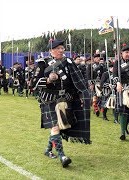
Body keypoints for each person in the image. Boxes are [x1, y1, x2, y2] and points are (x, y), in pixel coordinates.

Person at [33, 39, 91, 168]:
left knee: (58, 127)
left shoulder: (68, 62)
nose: (61, 50)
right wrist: (48, 79)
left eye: (62, 48)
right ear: (51, 51)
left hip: (65, 99)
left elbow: (75, 81)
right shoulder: (42, 64)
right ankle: (62, 156)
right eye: (58, 48)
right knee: (55, 126)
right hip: (48, 99)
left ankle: (48, 150)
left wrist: (81, 95)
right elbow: (34, 83)